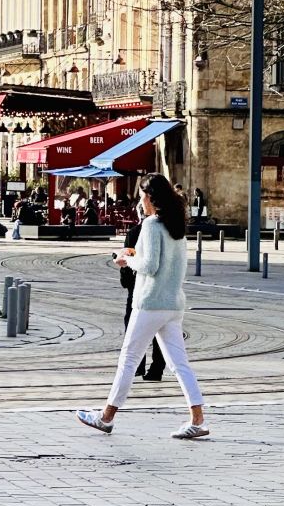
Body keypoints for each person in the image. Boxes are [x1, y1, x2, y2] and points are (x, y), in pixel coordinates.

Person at [77, 173, 208, 439]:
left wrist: (125, 260)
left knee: (128, 359)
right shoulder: (176, 226)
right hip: (173, 304)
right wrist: (135, 256)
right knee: (179, 364)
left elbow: (149, 266)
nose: (140, 202)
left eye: (141, 196)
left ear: (150, 197)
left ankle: (106, 417)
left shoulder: (151, 225)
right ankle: (198, 420)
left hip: (150, 303)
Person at [120, 201, 166, 380]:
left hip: (138, 289)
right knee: (159, 332)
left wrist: (126, 281)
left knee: (134, 330)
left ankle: (137, 366)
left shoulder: (134, 233)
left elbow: (128, 260)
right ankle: (157, 369)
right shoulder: (165, 232)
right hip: (160, 288)